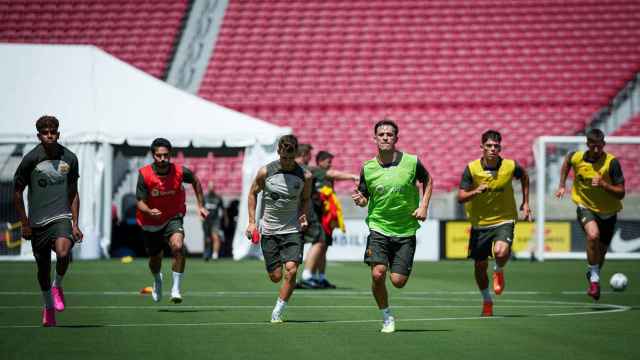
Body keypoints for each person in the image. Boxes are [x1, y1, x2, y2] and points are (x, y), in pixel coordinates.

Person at [352, 119, 432, 333]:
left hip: (405, 229)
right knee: (378, 274)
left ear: (396, 138)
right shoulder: (367, 168)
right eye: (381, 134)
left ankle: (396, 274)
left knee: (397, 281)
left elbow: (428, 180)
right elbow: (363, 197)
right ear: (375, 138)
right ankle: (386, 316)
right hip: (378, 227)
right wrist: (360, 201)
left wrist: (423, 205)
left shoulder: (412, 162)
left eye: (389, 134)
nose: (385, 137)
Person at [13, 115, 84, 327]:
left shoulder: (69, 158)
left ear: (58, 133)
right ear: (39, 136)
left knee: (63, 252)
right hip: (37, 223)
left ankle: (58, 286)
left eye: (53, 131)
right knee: (42, 270)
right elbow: (17, 193)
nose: (50, 135)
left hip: (61, 217)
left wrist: (75, 223)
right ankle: (48, 307)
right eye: (45, 132)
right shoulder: (31, 159)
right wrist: (25, 223)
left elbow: (73, 192)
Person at [457, 130, 531, 317]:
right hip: (479, 224)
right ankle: (486, 300)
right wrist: (476, 191)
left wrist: (526, 203)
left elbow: (524, 177)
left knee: (500, 251)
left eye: (496, 146)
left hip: (504, 219)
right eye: (488, 146)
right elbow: (461, 197)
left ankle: (498, 270)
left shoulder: (510, 166)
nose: (492, 149)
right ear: (481, 147)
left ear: (500, 148)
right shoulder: (472, 169)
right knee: (480, 267)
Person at [246, 135, 311, 323]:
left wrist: (303, 214)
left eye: (291, 158)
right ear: (279, 153)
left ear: (296, 155)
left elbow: (305, 198)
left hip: (292, 230)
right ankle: (276, 281)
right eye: (284, 158)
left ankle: (278, 311)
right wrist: (252, 222)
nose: (288, 162)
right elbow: (252, 194)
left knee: (291, 270)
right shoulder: (265, 172)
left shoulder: (305, 176)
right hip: (269, 230)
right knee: (275, 276)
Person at [555, 128, 625, 301]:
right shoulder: (577, 157)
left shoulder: (612, 163)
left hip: (609, 212)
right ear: (587, 144)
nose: (596, 150)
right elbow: (567, 162)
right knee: (593, 235)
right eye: (592, 146)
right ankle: (594, 280)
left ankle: (593, 275)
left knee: (600, 254)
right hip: (584, 205)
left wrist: (604, 185)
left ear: (604, 145)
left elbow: (621, 193)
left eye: (599, 146)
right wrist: (562, 184)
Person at [136, 138, 208, 304]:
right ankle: (157, 280)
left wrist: (201, 206)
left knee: (178, 246)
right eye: (159, 155)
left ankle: (176, 288)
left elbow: (196, 181)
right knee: (155, 260)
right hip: (150, 220)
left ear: (170, 154)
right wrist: (148, 210)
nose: (163, 159)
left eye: (166, 155)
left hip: (173, 217)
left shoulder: (180, 172)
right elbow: (139, 200)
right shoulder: (144, 174)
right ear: (153, 155)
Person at [298, 150, 358, 289]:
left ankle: (319, 277)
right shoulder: (315, 171)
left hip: (325, 215)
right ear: (320, 161)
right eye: (328, 161)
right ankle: (307, 276)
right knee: (318, 242)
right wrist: (352, 176)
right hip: (315, 214)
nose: (330, 164)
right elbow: (333, 174)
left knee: (324, 244)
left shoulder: (320, 174)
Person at [202, 181, 227, 260]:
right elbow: (200, 207)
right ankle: (206, 253)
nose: (211, 189)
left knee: (215, 237)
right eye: (210, 187)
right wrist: (201, 216)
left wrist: (226, 219)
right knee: (207, 238)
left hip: (215, 220)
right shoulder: (204, 197)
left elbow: (223, 209)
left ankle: (215, 254)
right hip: (206, 220)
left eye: (212, 187)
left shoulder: (218, 198)